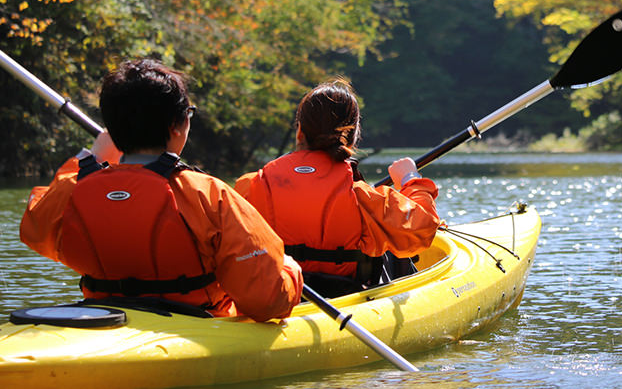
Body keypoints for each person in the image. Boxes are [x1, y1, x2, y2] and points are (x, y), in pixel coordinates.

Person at [20, 59, 303, 322]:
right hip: (195, 322)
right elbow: (268, 301)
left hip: (104, 316)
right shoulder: (208, 194)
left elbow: (36, 230)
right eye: (188, 114)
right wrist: (290, 269)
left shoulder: (74, 188)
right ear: (177, 126)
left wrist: (89, 158)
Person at [235, 79, 442, 297]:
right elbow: (424, 228)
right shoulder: (361, 197)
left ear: (299, 132)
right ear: (351, 140)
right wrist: (410, 179)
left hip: (277, 299)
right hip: (343, 300)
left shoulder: (251, 187)